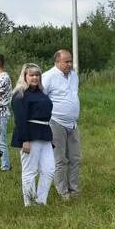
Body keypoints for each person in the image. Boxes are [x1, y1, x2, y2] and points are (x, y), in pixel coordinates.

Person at [10, 63, 55, 206]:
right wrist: (25, 140)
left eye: (37, 75)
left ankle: (41, 201)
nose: (35, 77)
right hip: (30, 134)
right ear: (25, 76)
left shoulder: (42, 93)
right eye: (31, 75)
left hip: (45, 134)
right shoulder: (20, 95)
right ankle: (29, 203)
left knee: (49, 169)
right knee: (30, 171)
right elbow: (20, 119)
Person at [41, 49, 81, 199]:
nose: (69, 64)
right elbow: (41, 99)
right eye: (66, 61)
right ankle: (62, 191)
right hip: (55, 122)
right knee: (60, 159)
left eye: (71, 61)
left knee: (75, 158)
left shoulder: (74, 76)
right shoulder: (48, 77)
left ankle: (74, 189)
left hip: (73, 124)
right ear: (57, 61)